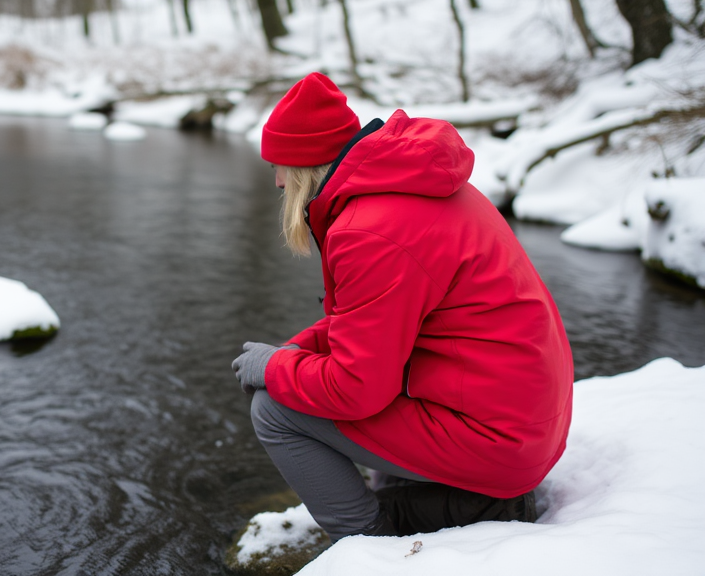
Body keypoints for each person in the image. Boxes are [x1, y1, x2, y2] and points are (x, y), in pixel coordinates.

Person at [231, 72, 574, 541]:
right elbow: (371, 323)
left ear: (306, 165)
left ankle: (368, 543)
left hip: (501, 444)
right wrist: (293, 352)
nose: (276, 181)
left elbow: (355, 390)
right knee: (327, 377)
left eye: (280, 167)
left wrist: (275, 371)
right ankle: (428, 494)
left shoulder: (369, 232)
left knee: (275, 409)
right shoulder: (413, 185)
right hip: (522, 426)